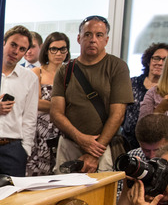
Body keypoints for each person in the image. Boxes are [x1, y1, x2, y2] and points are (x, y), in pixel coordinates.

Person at [50, 15, 133, 173]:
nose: (93, 39)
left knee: (99, 197)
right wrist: (80, 138)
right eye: (87, 34)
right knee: (63, 195)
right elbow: (56, 113)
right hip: (69, 144)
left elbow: (118, 115)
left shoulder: (117, 67)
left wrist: (93, 153)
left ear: (106, 40)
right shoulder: (65, 70)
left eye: (99, 35)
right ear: (79, 38)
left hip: (102, 147)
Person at [0, 25, 38, 177]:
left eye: (22, 49)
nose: (16, 51)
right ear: (3, 43)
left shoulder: (30, 78)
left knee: (14, 197)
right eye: (13, 45)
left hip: (13, 147)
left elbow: (30, 117)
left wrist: (25, 149)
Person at [25, 31, 69, 176]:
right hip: (40, 131)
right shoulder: (37, 72)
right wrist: (61, 106)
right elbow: (35, 102)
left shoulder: (72, 73)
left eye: (63, 49)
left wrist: (53, 106)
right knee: (37, 172)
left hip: (64, 128)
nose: (58, 53)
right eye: (54, 49)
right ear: (47, 50)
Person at [121, 43, 168, 151]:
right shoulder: (131, 83)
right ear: (149, 60)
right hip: (126, 143)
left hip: (154, 145)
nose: (160, 63)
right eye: (156, 58)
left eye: (165, 60)